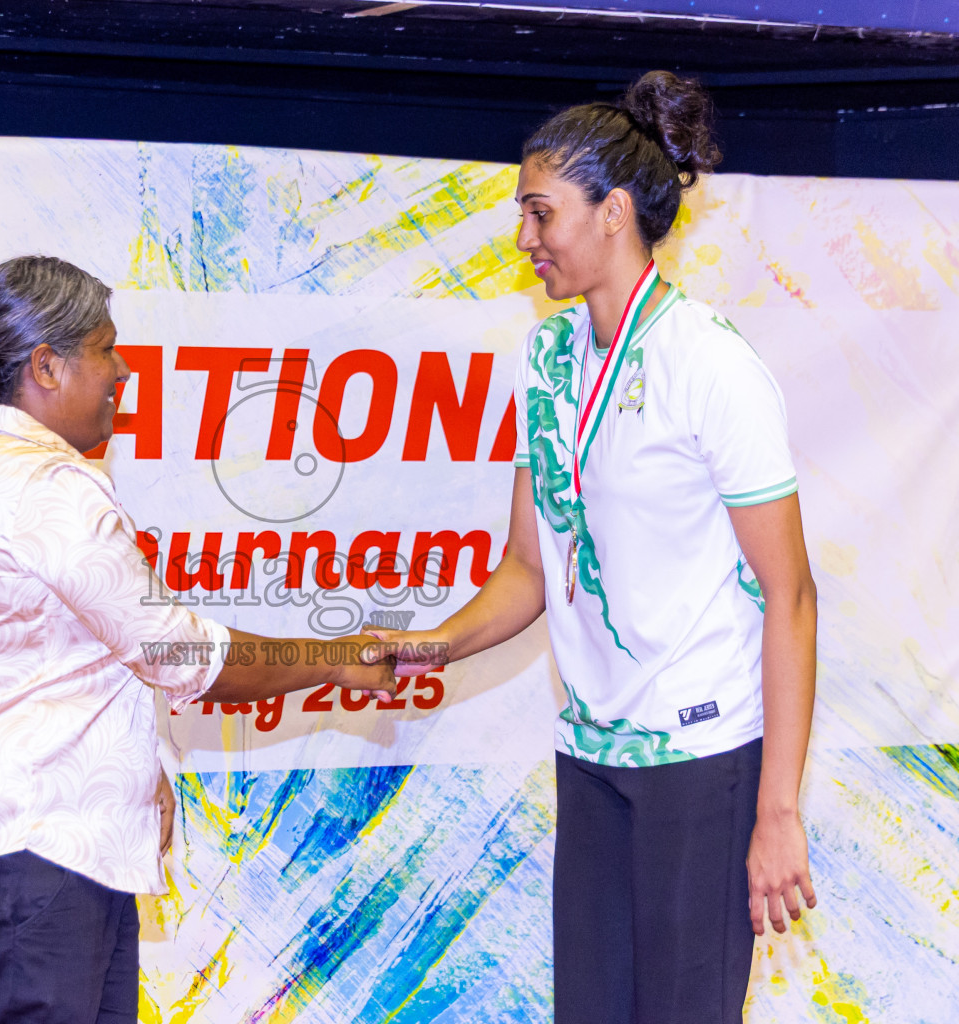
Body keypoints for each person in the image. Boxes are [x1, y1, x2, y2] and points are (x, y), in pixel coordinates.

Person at [370, 71, 817, 1023]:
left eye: (541, 212)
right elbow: (531, 567)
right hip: (591, 748)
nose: (523, 238)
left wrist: (777, 807)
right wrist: (434, 646)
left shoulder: (712, 364)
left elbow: (793, 597)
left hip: (701, 756)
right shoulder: (546, 358)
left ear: (613, 212)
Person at [0, 255, 395, 1024]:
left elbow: (76, 655)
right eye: (105, 349)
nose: (122, 371)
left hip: (42, 857)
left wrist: (141, 767)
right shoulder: (46, 489)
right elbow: (174, 653)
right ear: (46, 366)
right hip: (32, 861)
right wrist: (334, 659)